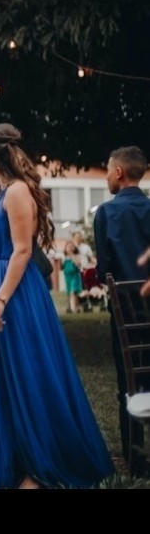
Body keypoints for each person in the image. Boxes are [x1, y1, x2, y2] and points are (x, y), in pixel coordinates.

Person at [0, 124, 113, 489]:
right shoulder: (4, 193)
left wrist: (0, 299)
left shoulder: (19, 192)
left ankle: (40, 466)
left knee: (29, 374)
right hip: (0, 285)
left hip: (16, 297)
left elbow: (23, 252)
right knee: (5, 380)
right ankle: (16, 460)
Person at [94, 144, 150, 465]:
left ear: (118, 172)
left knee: (127, 384)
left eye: (106, 171)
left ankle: (136, 459)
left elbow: (105, 270)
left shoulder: (107, 213)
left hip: (126, 314)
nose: (105, 178)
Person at [61, 242, 83, 314]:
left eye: (71, 247)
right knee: (71, 293)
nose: (69, 248)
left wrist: (72, 256)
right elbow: (62, 267)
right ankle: (77, 307)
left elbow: (78, 264)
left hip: (75, 276)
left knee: (73, 292)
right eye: (68, 247)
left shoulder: (76, 256)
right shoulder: (64, 257)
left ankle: (73, 309)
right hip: (67, 277)